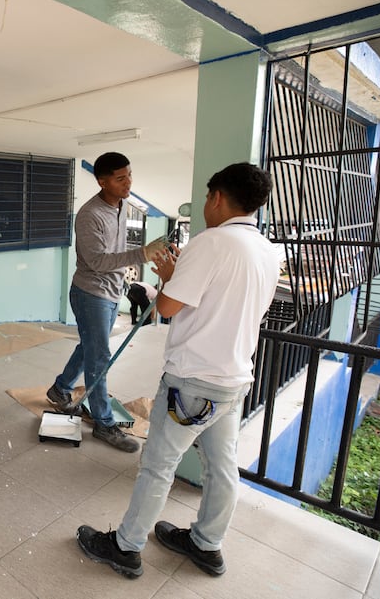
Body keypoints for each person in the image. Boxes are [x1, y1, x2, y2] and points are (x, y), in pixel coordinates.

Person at [77, 162, 282, 578]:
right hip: (234, 381)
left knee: (158, 466)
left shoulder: (211, 243)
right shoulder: (267, 250)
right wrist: (179, 278)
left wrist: (171, 276)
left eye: (207, 197)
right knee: (222, 468)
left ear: (218, 198)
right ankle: (207, 544)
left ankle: (126, 547)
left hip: (193, 382)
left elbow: (168, 307)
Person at [46, 152, 165, 452]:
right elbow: (98, 261)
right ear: (102, 182)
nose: (128, 183)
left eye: (129, 175)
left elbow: (115, 252)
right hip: (91, 293)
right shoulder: (90, 215)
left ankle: (60, 389)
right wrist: (142, 254)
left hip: (112, 290)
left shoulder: (122, 205)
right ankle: (103, 423)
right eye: (120, 178)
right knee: (99, 357)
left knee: (90, 348)